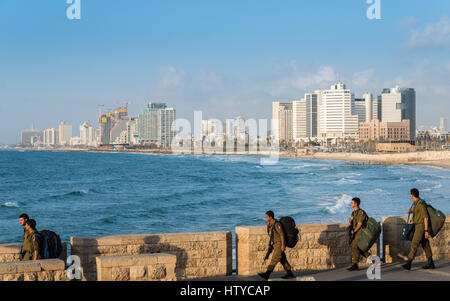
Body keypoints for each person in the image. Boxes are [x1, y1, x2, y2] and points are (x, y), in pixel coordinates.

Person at [402, 188, 434, 270]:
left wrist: (426, 230)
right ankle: (431, 263)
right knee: (425, 244)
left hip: (421, 226)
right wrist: (411, 212)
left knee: (414, 243)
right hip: (417, 225)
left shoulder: (421, 204)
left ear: (412, 195)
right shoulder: (415, 203)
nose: (409, 195)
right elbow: (418, 213)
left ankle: (408, 263)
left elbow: (425, 217)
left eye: (410, 194)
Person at [258, 211, 295, 280]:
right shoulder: (271, 224)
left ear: (270, 217)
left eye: (266, 217)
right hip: (276, 244)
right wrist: (268, 227)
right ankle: (290, 273)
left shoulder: (277, 224)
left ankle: (267, 274)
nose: (266, 218)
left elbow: (282, 235)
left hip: (279, 244)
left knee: (275, 259)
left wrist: (283, 245)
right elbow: (272, 235)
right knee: (283, 259)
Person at [347, 197, 371, 271]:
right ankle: (374, 259)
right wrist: (350, 220)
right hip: (356, 232)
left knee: (355, 246)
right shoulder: (353, 213)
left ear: (356, 204)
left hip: (361, 232)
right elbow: (351, 223)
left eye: (352, 203)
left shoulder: (361, 212)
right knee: (360, 248)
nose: (351, 204)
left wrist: (354, 231)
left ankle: (355, 264)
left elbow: (360, 224)